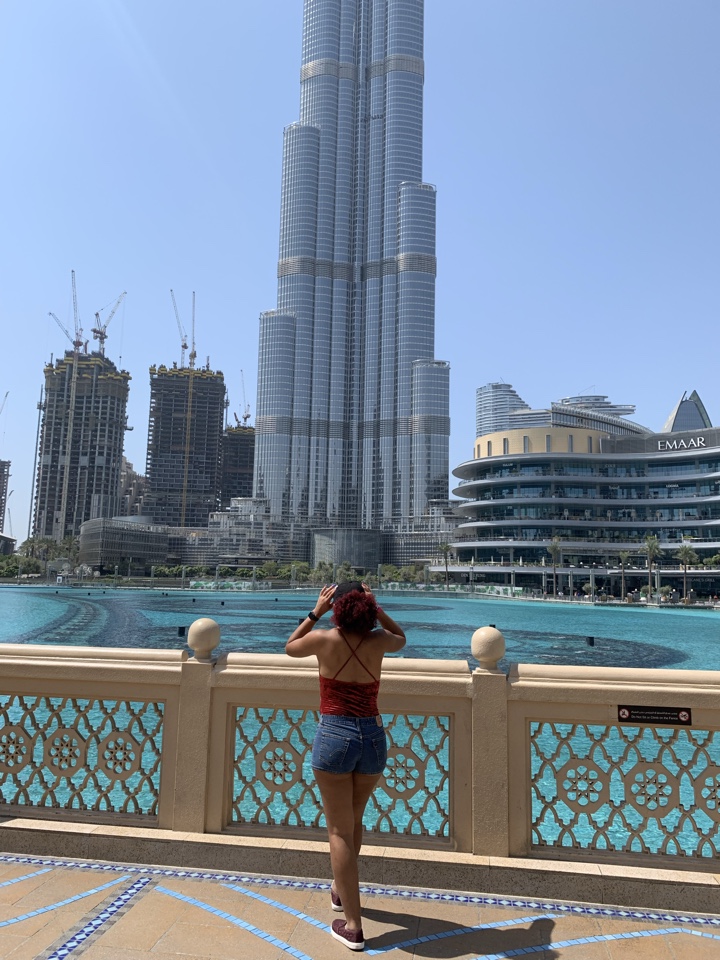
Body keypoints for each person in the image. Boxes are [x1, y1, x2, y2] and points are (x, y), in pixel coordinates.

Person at [286, 581, 406, 951]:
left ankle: (353, 926)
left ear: (336, 608)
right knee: (354, 820)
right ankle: (341, 888)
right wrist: (377, 608)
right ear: (366, 607)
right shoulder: (379, 642)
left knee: (338, 831)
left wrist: (315, 612)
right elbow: (401, 637)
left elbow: (290, 647)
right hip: (372, 736)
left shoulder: (324, 639)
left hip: (335, 735)